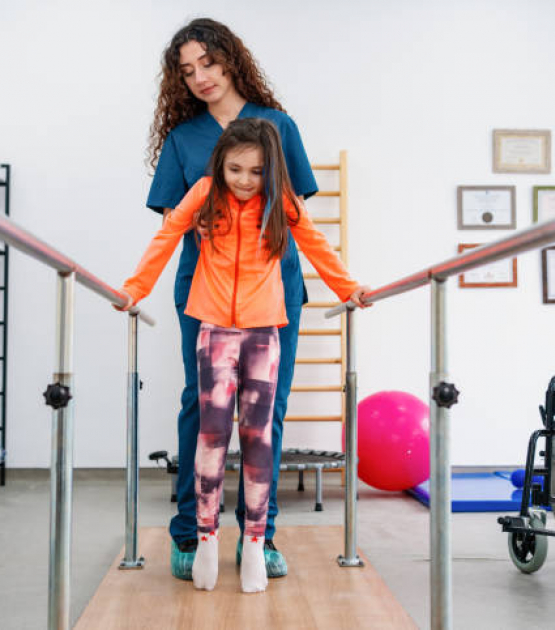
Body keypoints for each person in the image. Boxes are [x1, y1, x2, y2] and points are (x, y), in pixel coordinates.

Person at [119, 118, 369, 592]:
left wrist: (349, 288)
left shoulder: (281, 202)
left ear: (269, 170)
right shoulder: (206, 192)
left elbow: (316, 245)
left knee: (258, 441)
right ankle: (208, 538)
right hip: (213, 331)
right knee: (210, 440)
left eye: (255, 172)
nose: (244, 180)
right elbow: (166, 237)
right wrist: (135, 289)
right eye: (235, 169)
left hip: (263, 333)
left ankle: (254, 543)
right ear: (221, 164)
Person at [146, 17, 317, 580]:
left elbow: (296, 215)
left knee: (267, 413)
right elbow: (173, 218)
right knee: (201, 406)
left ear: (231, 59)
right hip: (204, 288)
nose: (200, 77)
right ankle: (190, 534)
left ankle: (258, 535)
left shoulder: (277, 125)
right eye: (187, 70)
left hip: (275, 287)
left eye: (208, 63)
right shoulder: (183, 138)